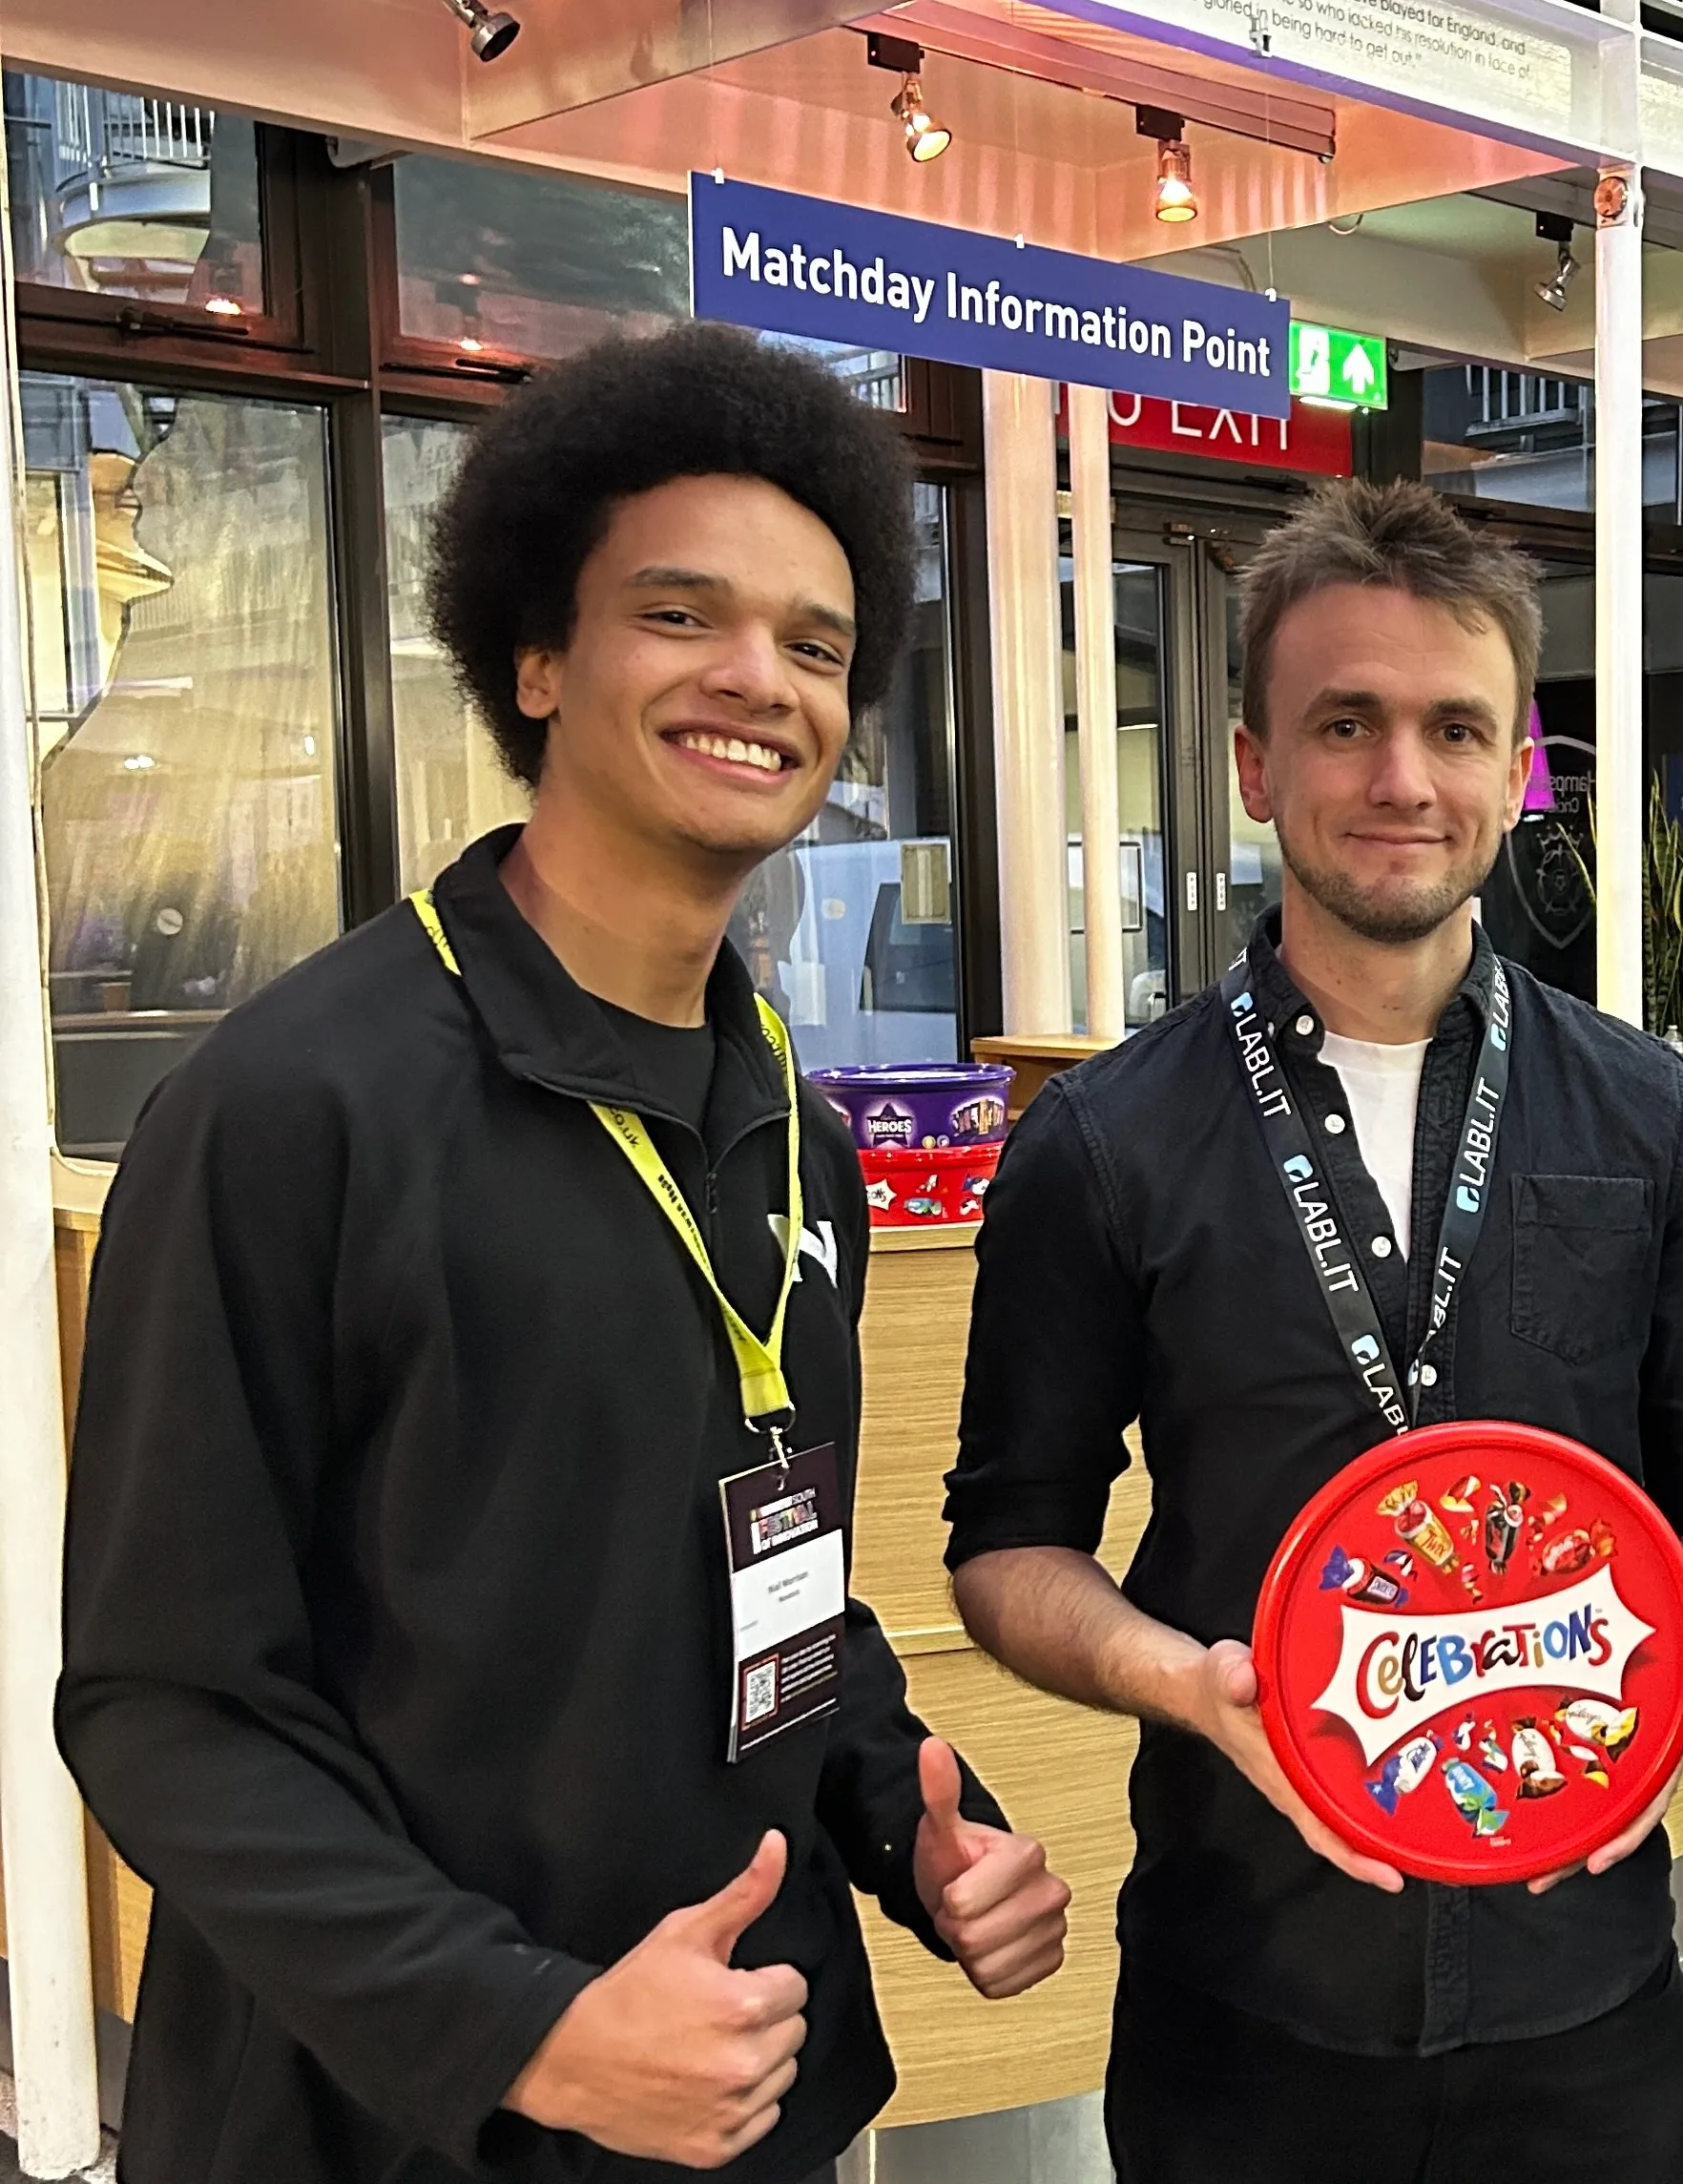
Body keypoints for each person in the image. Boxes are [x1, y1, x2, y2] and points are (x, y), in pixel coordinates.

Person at [58, 326, 1069, 2184]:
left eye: (818, 642)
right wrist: (526, 2029)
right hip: (373, 2127)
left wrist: (915, 1828)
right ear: (537, 654)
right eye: (681, 614)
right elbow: (167, 1705)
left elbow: (778, 1592)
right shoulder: (294, 1113)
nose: (759, 678)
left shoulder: (799, 1143)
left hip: (742, 2110)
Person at [945, 479, 1683, 2184]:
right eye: (1344, 724)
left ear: (1513, 771)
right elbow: (1003, 1542)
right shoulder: (1104, 1141)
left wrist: (1671, 1649)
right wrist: (1171, 1680)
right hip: (1244, 2001)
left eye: (1451, 729)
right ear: (1257, 764)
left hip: (1592, 2004)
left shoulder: (1647, 1118)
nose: (1400, 779)